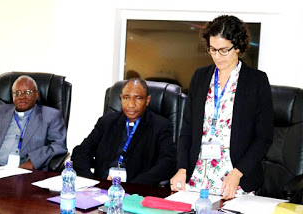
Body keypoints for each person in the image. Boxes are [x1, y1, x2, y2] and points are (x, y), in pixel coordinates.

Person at [170, 15, 273, 200]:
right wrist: (182, 168)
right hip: (197, 176)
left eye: (224, 50)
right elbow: (187, 129)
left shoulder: (256, 81)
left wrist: (238, 173)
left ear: (239, 46)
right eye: (213, 49)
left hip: (235, 179)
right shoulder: (200, 77)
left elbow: (263, 138)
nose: (217, 56)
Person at [71, 78, 177, 185]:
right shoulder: (107, 121)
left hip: (136, 189)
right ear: (121, 98)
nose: (131, 104)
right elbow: (80, 152)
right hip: (102, 186)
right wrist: (91, 181)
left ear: (147, 100)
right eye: (126, 98)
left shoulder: (160, 125)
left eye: (138, 98)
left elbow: (169, 162)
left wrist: (133, 185)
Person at [0, 75, 67, 170]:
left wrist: (32, 162)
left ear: (36, 95)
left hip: (24, 173)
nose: (21, 97)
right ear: (12, 95)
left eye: (27, 92)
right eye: (17, 93)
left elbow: (58, 146)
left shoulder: (51, 115)